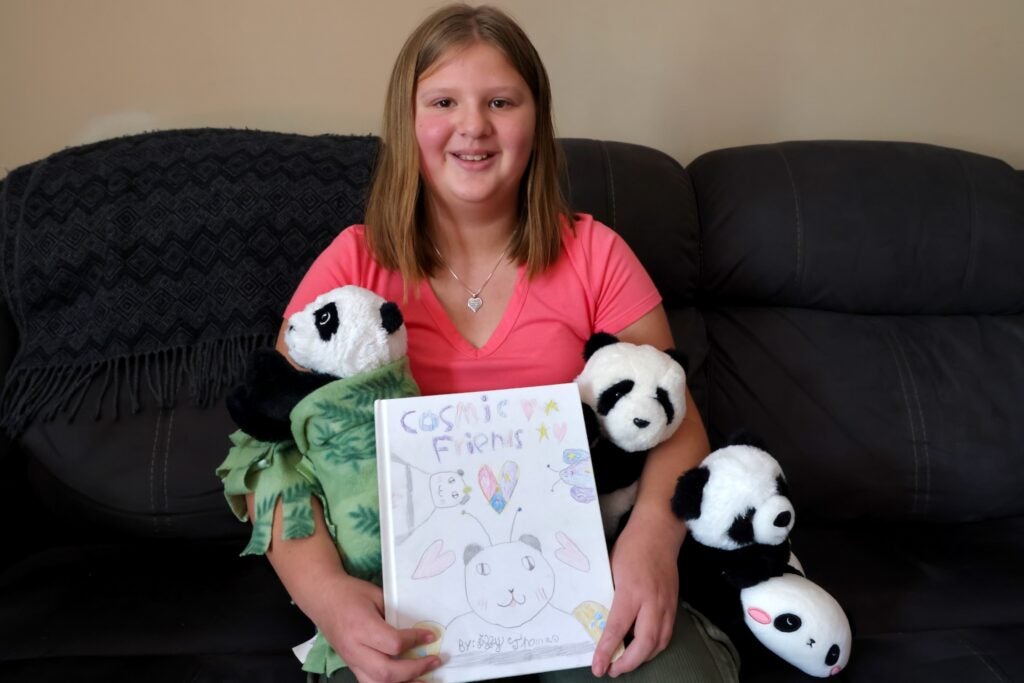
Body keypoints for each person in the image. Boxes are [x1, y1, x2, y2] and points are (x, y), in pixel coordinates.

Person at [241, 4, 738, 682]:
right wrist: (325, 595)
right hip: (410, 603)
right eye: (444, 101)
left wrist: (651, 541)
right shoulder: (354, 263)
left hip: (583, 582)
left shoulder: (597, 254)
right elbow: (266, 453)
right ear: (407, 122)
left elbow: (676, 423)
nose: (473, 125)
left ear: (536, 121)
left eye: (500, 101)